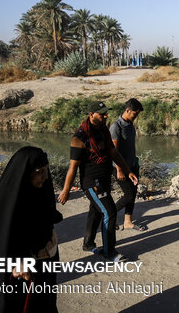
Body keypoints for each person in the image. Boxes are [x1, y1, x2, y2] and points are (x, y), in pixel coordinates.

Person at [0, 147, 63, 313]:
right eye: (39, 171)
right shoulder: (4, 205)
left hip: (44, 268)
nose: (45, 176)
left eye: (46, 170)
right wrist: (13, 263)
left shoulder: (41, 193)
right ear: (25, 173)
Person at [58, 101, 138, 262]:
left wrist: (128, 171)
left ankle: (88, 244)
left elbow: (114, 153)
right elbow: (73, 167)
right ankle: (110, 252)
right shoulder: (79, 138)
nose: (106, 116)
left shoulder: (103, 130)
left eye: (106, 113)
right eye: (102, 114)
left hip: (105, 178)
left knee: (95, 211)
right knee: (109, 212)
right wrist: (66, 189)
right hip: (92, 183)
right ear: (91, 114)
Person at [110, 98, 147, 231]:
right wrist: (119, 170)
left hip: (132, 165)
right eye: (134, 114)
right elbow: (114, 152)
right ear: (127, 110)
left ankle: (128, 222)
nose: (136, 117)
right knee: (129, 195)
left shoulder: (130, 124)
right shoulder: (116, 127)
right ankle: (109, 214)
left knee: (133, 192)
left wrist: (135, 164)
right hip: (120, 168)